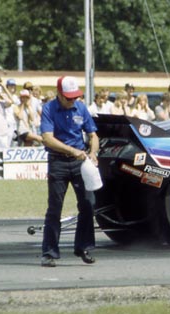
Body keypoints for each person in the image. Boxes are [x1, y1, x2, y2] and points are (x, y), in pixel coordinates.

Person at [40, 76, 99, 267]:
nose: (72, 100)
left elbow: (93, 134)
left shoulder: (81, 108)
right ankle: (49, 252)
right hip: (58, 162)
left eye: (75, 97)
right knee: (55, 207)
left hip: (80, 163)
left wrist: (93, 152)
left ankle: (84, 247)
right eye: (68, 97)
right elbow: (47, 139)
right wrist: (71, 150)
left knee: (88, 203)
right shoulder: (49, 109)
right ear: (59, 94)